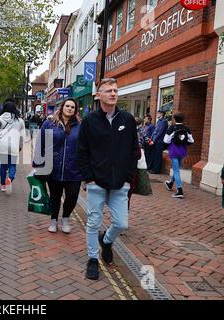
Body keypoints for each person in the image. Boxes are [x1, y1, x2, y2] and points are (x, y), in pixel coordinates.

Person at [77, 78, 139, 280]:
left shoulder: (127, 120)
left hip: (120, 183)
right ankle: (93, 259)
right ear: (99, 95)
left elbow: (133, 151)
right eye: (109, 90)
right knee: (93, 223)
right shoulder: (89, 120)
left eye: (116, 90)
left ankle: (108, 240)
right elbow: (82, 151)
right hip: (97, 182)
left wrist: (129, 178)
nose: (113, 93)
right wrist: (89, 178)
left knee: (121, 223)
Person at [34, 98, 82, 234]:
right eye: (67, 106)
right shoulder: (49, 124)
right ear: (62, 107)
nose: (70, 108)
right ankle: (53, 220)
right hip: (53, 167)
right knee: (55, 196)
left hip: (74, 169)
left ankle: (65, 218)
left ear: (75, 110)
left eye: (73, 107)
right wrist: (38, 163)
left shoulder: (80, 126)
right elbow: (40, 143)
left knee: (72, 197)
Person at [163, 112, 194, 198]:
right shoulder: (186, 128)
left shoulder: (172, 128)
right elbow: (191, 141)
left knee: (176, 171)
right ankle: (170, 184)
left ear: (174, 119)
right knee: (177, 169)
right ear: (183, 119)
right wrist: (183, 143)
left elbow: (166, 140)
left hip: (174, 150)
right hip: (183, 151)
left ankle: (180, 190)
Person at [0, 99, 25, 193]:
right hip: (14, 145)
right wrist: (20, 146)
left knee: (3, 165)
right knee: (12, 165)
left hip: (3, 145)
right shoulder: (20, 121)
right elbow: (22, 136)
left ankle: (3, 185)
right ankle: (10, 177)